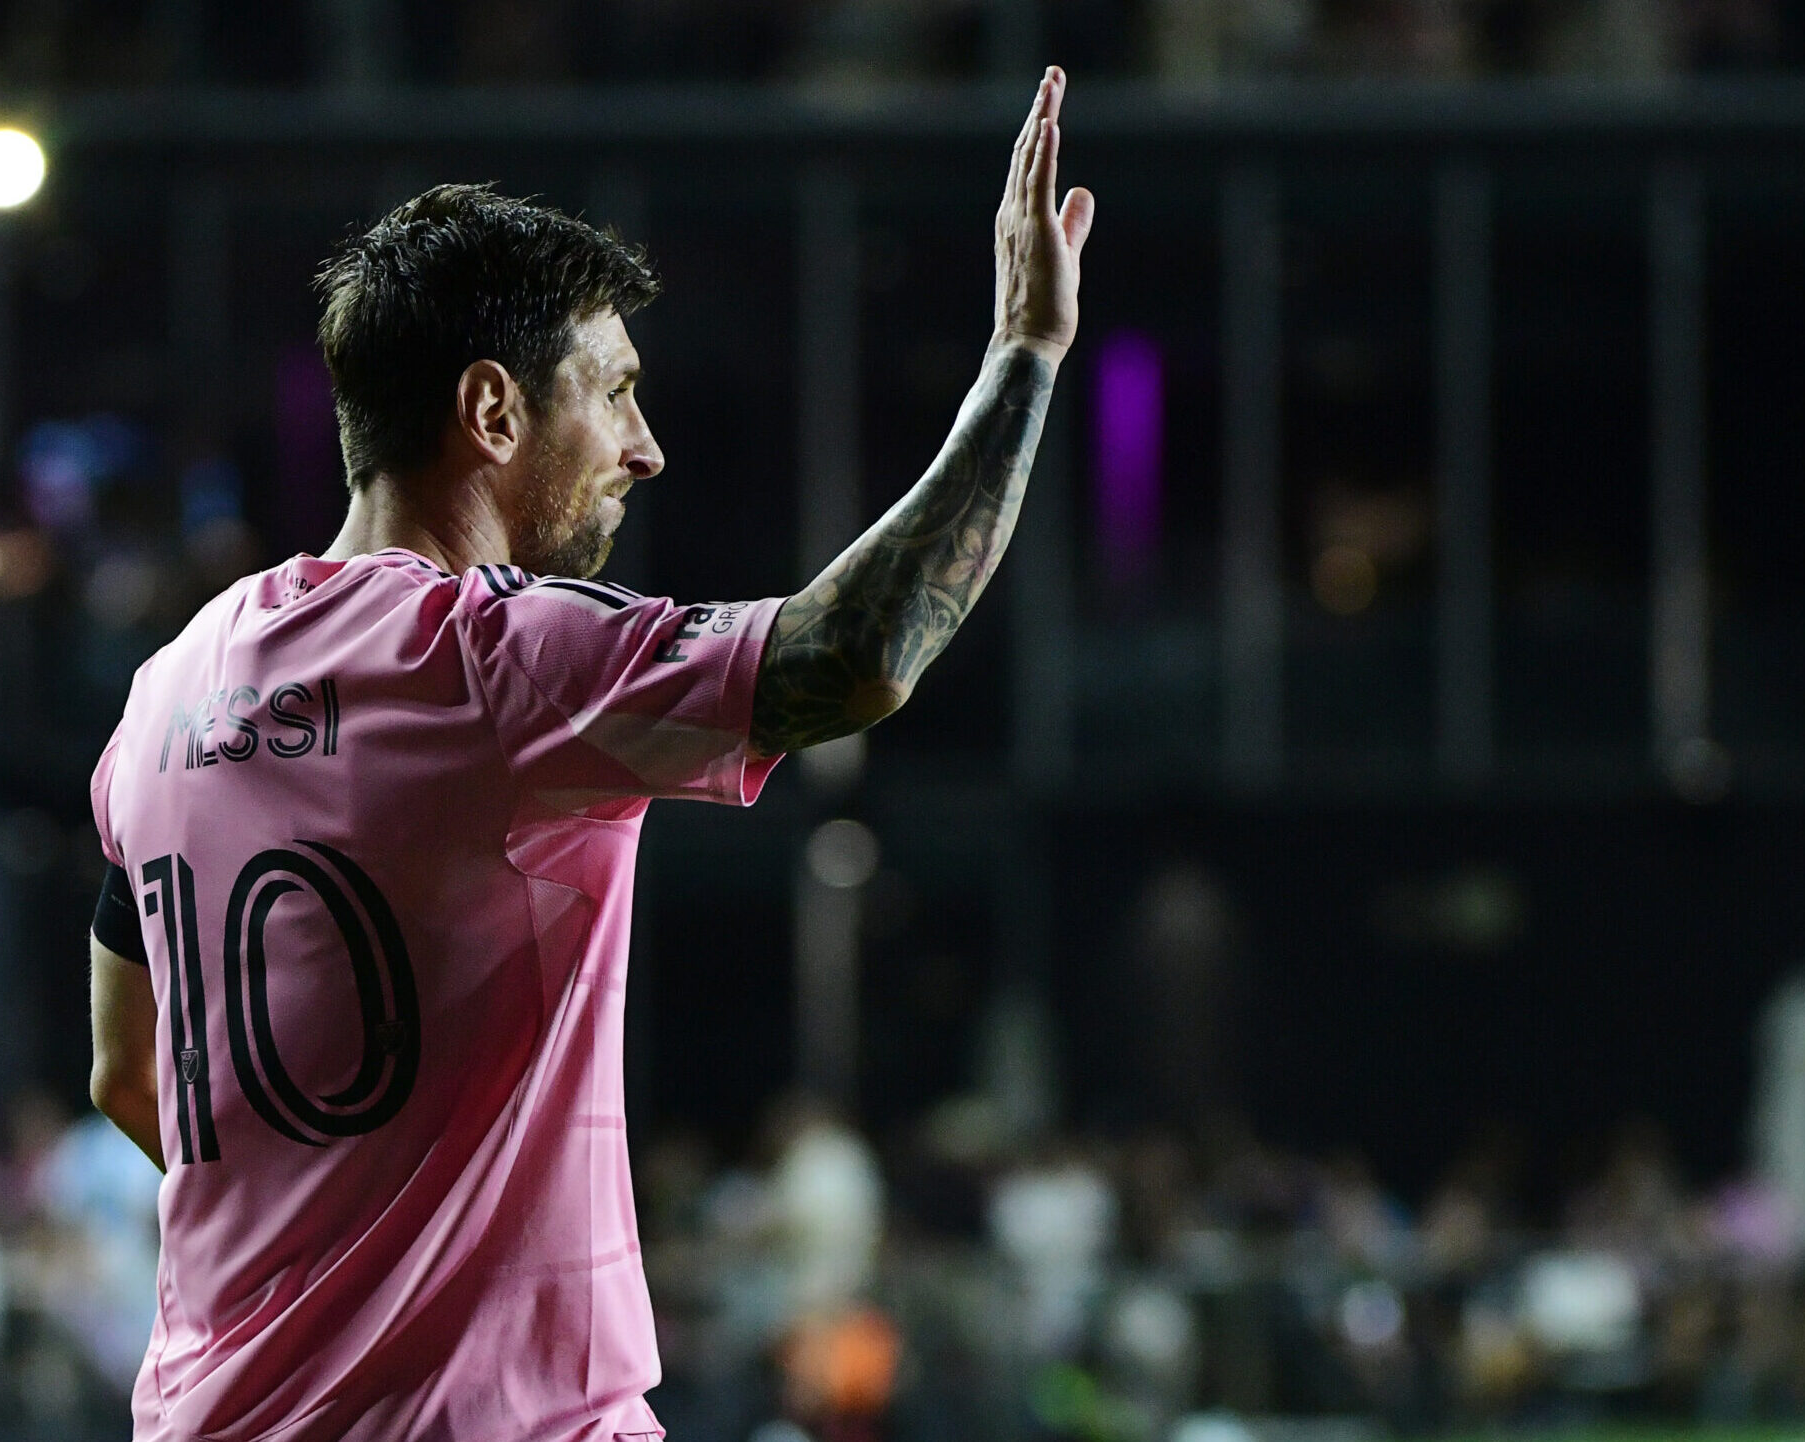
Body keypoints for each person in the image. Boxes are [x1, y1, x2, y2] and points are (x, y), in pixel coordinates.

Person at [83, 68, 1096, 1442]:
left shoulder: (165, 690)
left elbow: (127, 1074)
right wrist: (1022, 360)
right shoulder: (491, 653)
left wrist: (342, 1244)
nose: (647, 447)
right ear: (493, 414)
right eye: (612, 394)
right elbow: (855, 652)